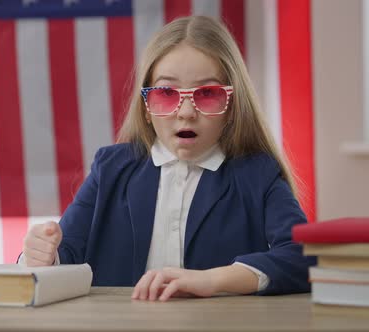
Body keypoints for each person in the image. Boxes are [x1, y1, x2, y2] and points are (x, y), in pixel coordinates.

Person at [20, 15, 316, 301]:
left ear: (231, 106)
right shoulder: (110, 169)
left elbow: (305, 256)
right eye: (166, 93)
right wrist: (42, 254)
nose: (186, 112)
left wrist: (211, 280)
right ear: (146, 107)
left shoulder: (257, 174)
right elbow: (66, 254)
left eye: (207, 93)